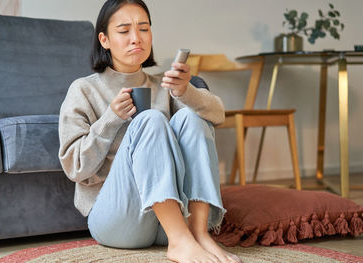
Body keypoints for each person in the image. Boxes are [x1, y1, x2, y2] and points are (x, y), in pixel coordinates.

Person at [58, 1, 241, 262]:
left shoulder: (165, 86)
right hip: (117, 223)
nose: (136, 38)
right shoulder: (83, 90)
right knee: (151, 120)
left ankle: (199, 234)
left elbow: (218, 115)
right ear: (104, 39)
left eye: (143, 29)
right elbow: (74, 168)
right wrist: (111, 119)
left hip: (172, 220)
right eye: (124, 31)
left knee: (193, 116)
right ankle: (180, 242)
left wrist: (185, 92)